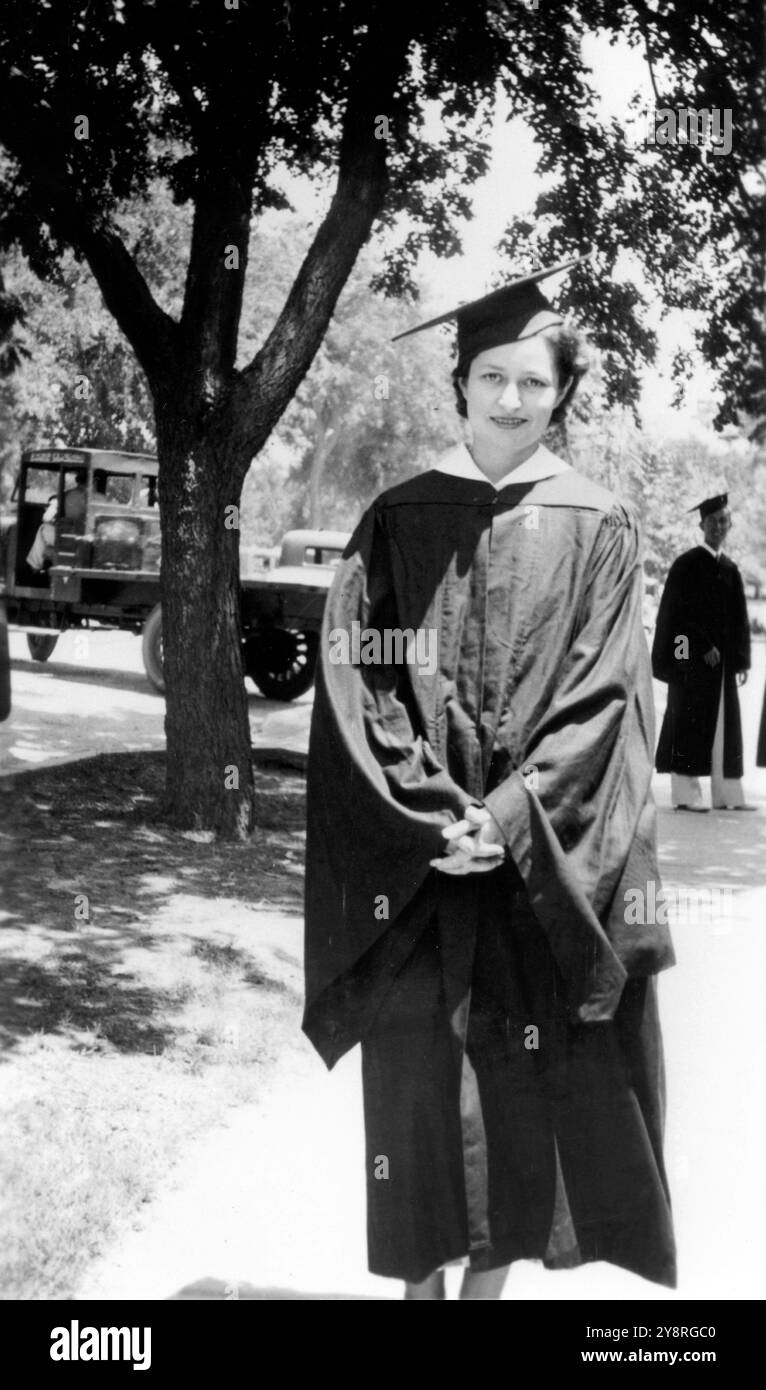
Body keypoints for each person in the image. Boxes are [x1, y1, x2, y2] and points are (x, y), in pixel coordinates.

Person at [303, 259, 676, 1299]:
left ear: (561, 391)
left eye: (533, 380)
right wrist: (432, 820)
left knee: (515, 1098)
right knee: (420, 1095)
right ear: (459, 381)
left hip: (530, 873)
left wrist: (506, 820)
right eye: (491, 376)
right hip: (420, 874)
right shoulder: (397, 517)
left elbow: (606, 701)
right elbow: (356, 681)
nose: (511, 398)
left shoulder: (597, 524)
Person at [652, 494, 753, 811]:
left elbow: (739, 622)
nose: (719, 527)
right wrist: (691, 655)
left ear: (730, 525)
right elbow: (675, 617)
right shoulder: (686, 565)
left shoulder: (730, 569)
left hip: (721, 667)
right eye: (713, 522)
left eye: (724, 521)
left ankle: (728, 795)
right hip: (689, 663)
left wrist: (740, 660)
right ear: (702, 525)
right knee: (688, 721)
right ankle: (686, 794)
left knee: (725, 725)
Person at [26, 468, 88, 572]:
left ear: (77, 480)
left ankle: (35, 566)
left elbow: (46, 517)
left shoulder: (65, 495)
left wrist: (55, 520)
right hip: (87, 538)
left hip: (67, 537)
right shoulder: (100, 498)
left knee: (43, 528)